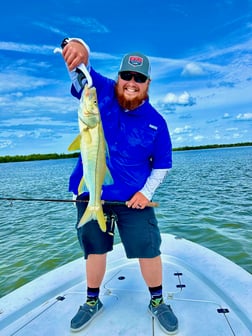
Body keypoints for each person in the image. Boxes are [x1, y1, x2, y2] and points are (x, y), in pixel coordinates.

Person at [61, 37, 178, 334]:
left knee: (149, 249)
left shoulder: (156, 122)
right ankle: (91, 301)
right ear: (118, 77)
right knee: (94, 250)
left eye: (139, 78)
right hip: (93, 193)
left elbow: (162, 164)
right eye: (127, 75)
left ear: (147, 83)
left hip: (133, 200)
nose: (131, 82)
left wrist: (145, 193)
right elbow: (80, 70)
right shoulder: (100, 91)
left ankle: (157, 301)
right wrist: (78, 46)